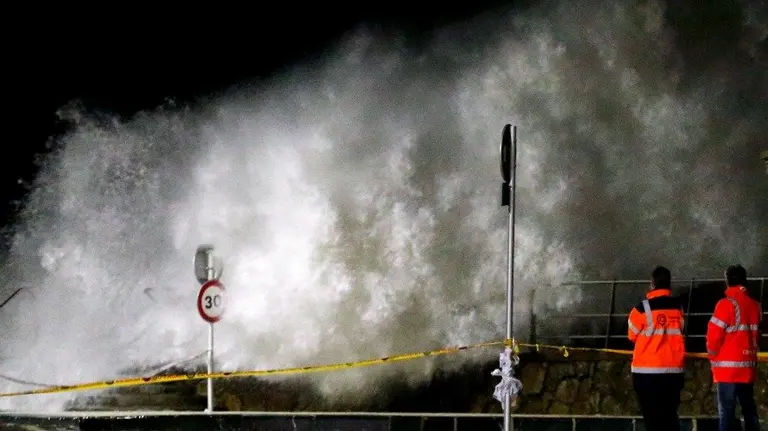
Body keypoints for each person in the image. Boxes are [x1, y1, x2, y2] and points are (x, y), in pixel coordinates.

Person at [627, 266, 686, 431]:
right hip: (673, 372)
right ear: (669, 284)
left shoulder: (641, 309)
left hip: (646, 374)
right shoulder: (678, 307)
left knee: (652, 419)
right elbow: (681, 328)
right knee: (670, 417)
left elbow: (631, 335)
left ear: (652, 284)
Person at [706, 264, 762, 431]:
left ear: (727, 281)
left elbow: (713, 337)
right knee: (749, 410)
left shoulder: (725, 304)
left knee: (727, 414)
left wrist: (713, 356)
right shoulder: (755, 306)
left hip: (727, 372)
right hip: (748, 369)